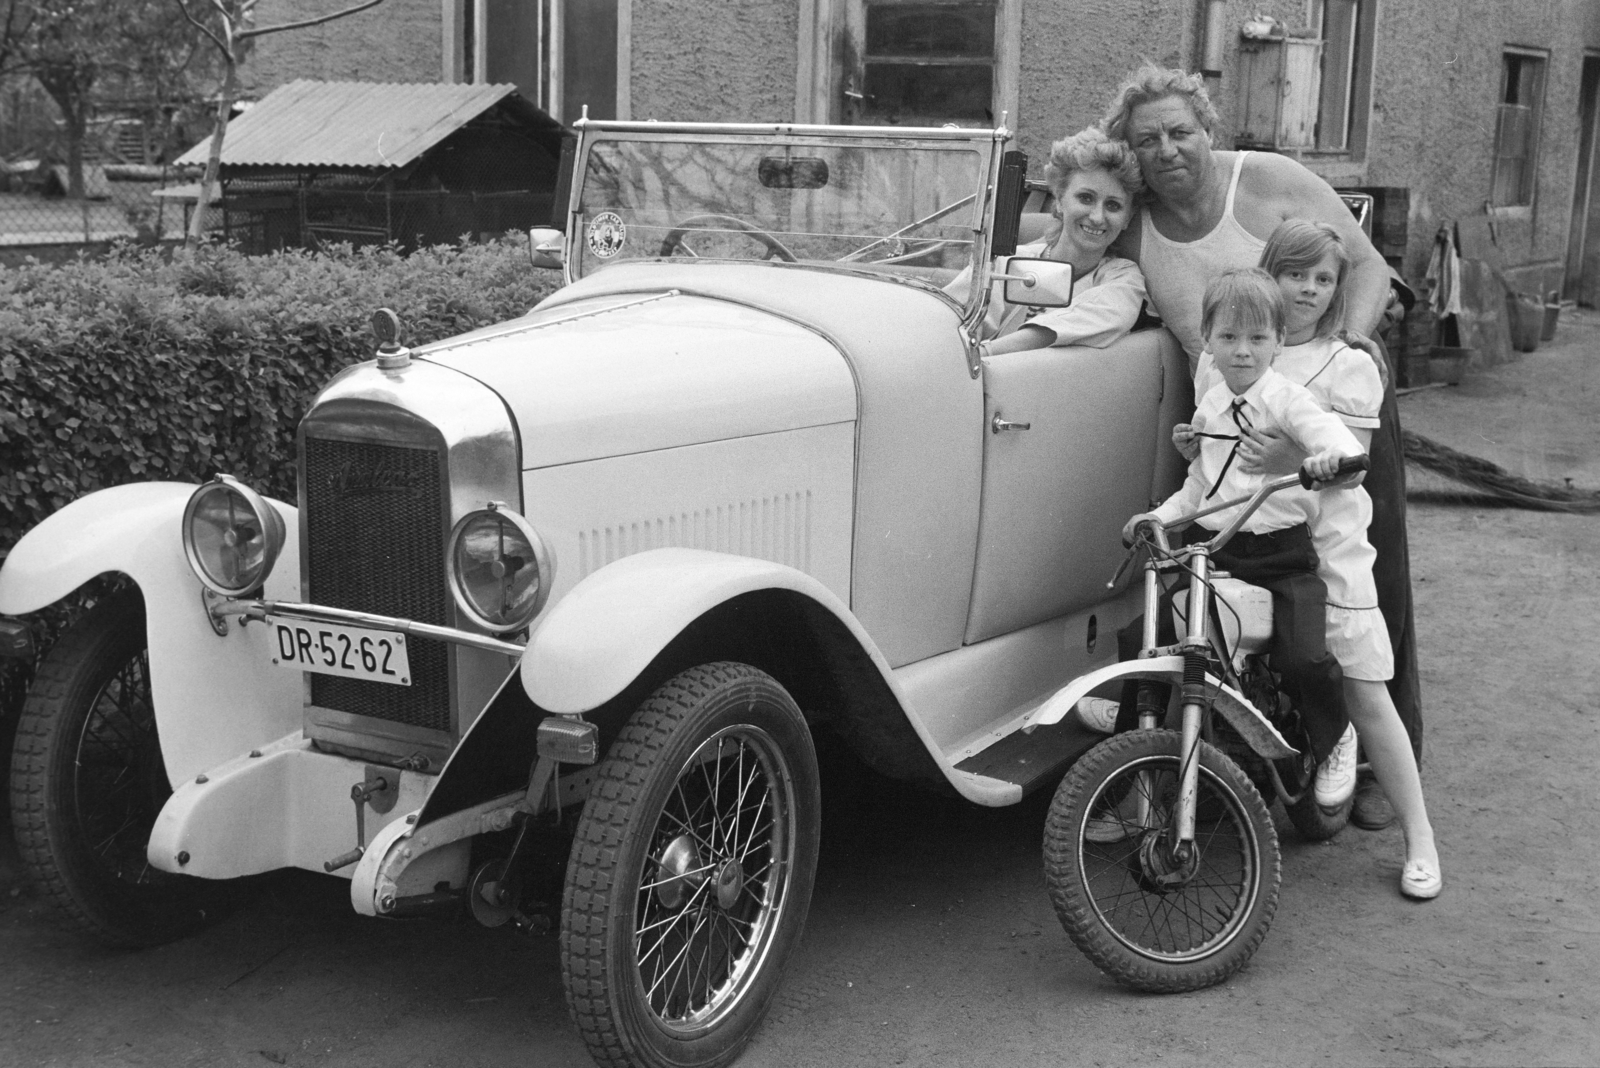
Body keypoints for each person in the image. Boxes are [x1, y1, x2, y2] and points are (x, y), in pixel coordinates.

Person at [1103, 66, 1422, 830]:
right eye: (1148, 140)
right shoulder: (1137, 222)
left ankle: (1384, 755)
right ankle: (1257, 750)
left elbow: (1369, 265)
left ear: (1209, 129)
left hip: (1328, 405)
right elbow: (1068, 238)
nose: (1169, 149)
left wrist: (1345, 348)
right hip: (1232, 426)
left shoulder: (1270, 180)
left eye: (1182, 131)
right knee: (1246, 592)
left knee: (1367, 582)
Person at [1131, 269, 1442, 901]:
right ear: (1209, 342)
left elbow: (1337, 447)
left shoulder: (1291, 398)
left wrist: (1321, 459)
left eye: (1257, 338)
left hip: (1287, 557)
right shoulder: (1213, 399)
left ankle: (1335, 733)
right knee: (1170, 639)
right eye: (1229, 337)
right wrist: (1159, 517)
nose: (1242, 350)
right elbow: (1204, 488)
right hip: (1222, 552)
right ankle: (1154, 777)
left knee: (1307, 656)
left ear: (1276, 344)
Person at [947, 125, 1147, 354]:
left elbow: (1086, 319)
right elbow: (948, 317)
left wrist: (986, 353)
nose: (1097, 217)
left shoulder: (1123, 278)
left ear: (1127, 218)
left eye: (1113, 205)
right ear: (1060, 200)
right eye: (1086, 198)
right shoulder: (1004, 263)